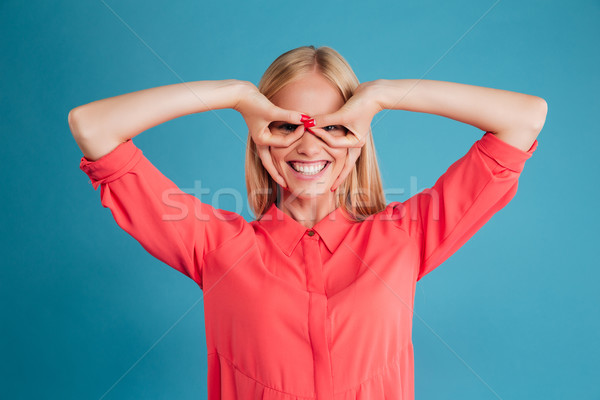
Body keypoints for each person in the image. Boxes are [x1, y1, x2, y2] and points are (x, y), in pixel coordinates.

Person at [69, 45, 547, 399]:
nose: (309, 145)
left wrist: (381, 96)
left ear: (358, 138)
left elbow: (525, 118)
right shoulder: (215, 246)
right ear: (261, 136)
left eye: (333, 126)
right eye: (286, 125)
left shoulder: (405, 237)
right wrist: (235, 96)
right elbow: (93, 127)